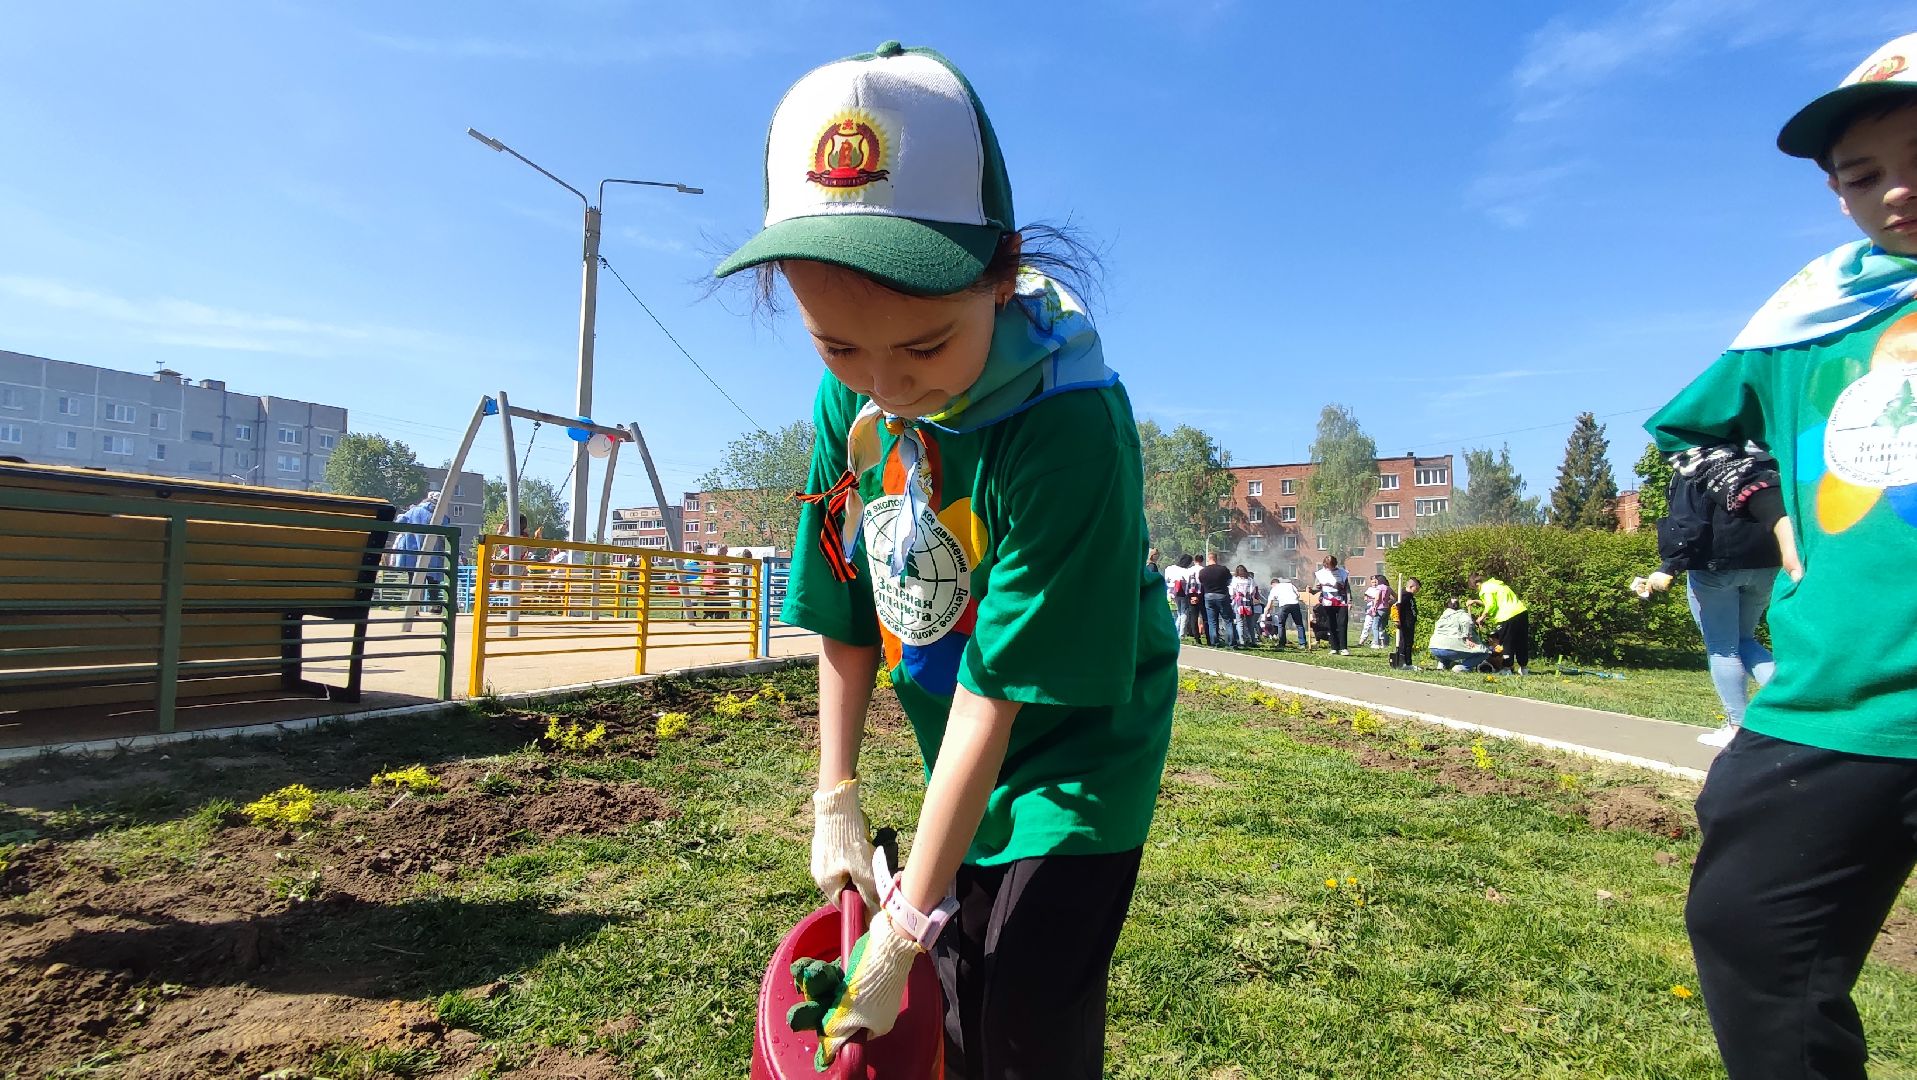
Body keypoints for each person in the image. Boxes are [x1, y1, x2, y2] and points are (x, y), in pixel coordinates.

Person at [716, 41, 1176, 1078]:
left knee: (1021, 1019)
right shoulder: (857, 402)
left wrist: (908, 916)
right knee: (958, 997)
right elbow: (841, 606)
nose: (886, 383)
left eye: (923, 347)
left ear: (1002, 273)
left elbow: (998, 692)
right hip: (954, 756)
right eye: (838, 346)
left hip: (1073, 758)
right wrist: (835, 791)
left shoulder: (1069, 429)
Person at [1646, 35, 1917, 1079]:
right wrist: (1775, 514)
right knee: (1748, 928)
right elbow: (1697, 431)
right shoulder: (1807, 317)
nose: (1897, 191)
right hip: (1836, 695)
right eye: (1863, 174)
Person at [1643, 461, 1781, 748]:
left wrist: (1669, 566)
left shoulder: (1697, 464)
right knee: (1745, 640)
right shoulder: (1764, 459)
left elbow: (1690, 523)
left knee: (1723, 647)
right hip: (1766, 563)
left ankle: (1737, 727)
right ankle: (1796, 704)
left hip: (1715, 565)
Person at [1467, 573, 1529, 675]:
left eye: (1476, 588)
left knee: (1506, 642)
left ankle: (1507, 669)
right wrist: (1476, 601)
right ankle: (1524, 668)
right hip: (1521, 612)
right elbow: (1496, 601)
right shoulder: (1497, 585)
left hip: (1507, 616)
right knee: (1521, 641)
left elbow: (1491, 605)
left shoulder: (1485, 589)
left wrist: (1481, 618)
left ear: (1477, 584)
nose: (1477, 590)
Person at [1426, 599, 1490, 672]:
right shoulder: (1462, 614)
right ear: (1458, 605)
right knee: (1485, 652)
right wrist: (1468, 638)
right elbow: (1467, 622)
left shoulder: (1443, 616)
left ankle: (1442, 664)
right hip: (1451, 649)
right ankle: (1463, 667)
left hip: (1434, 647)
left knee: (1444, 645)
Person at [1312, 555, 1351, 654]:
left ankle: (1343, 648)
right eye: (1327, 566)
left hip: (1341, 601)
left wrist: (1350, 601)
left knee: (1342, 624)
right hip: (1328, 602)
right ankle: (1334, 647)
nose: (1329, 568)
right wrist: (1312, 589)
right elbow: (1315, 589)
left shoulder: (1343, 573)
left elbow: (1347, 588)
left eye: (1331, 566)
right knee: (1331, 624)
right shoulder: (1320, 574)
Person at [1197, 551, 1233, 648]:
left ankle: (1214, 642)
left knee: (1212, 620)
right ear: (1216, 559)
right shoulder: (1223, 569)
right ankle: (1231, 643)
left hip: (1208, 596)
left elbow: (1201, 582)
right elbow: (1229, 581)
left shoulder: (1203, 571)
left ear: (1208, 559)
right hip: (1221, 595)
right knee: (1227, 620)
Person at [1266, 574, 1306, 648]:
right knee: (1299, 624)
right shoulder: (1290, 585)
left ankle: (1281, 643)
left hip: (1284, 605)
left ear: (1273, 584)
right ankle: (1302, 643)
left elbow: (1269, 603)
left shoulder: (1274, 588)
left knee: (1281, 624)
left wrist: (1266, 613)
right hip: (1294, 604)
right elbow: (1298, 595)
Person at [1390, 577, 1421, 669]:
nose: (1418, 590)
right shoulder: (1404, 595)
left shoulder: (1409, 596)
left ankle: (1408, 662)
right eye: (1417, 588)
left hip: (1409, 624)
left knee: (1409, 643)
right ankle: (1403, 662)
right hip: (1405, 623)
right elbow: (1395, 607)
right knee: (1405, 643)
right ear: (1412, 586)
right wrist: (1396, 620)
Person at [1229, 564, 1261, 648]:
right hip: (1248, 603)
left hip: (1238, 602)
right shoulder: (1250, 580)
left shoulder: (1235, 580)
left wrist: (1232, 598)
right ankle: (1253, 640)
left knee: (1240, 622)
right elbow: (1253, 591)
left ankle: (1242, 641)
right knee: (1250, 623)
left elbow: (1231, 592)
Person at [1360, 573, 1393, 649]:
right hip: (1385, 609)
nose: (1375, 583)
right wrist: (1390, 602)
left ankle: (1376, 643)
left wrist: (1374, 606)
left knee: (1375, 626)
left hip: (1378, 609)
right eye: (1373, 582)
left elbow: (1377, 599)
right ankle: (1384, 643)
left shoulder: (1380, 588)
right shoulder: (1388, 588)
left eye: (1376, 581)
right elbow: (1395, 596)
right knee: (1382, 626)